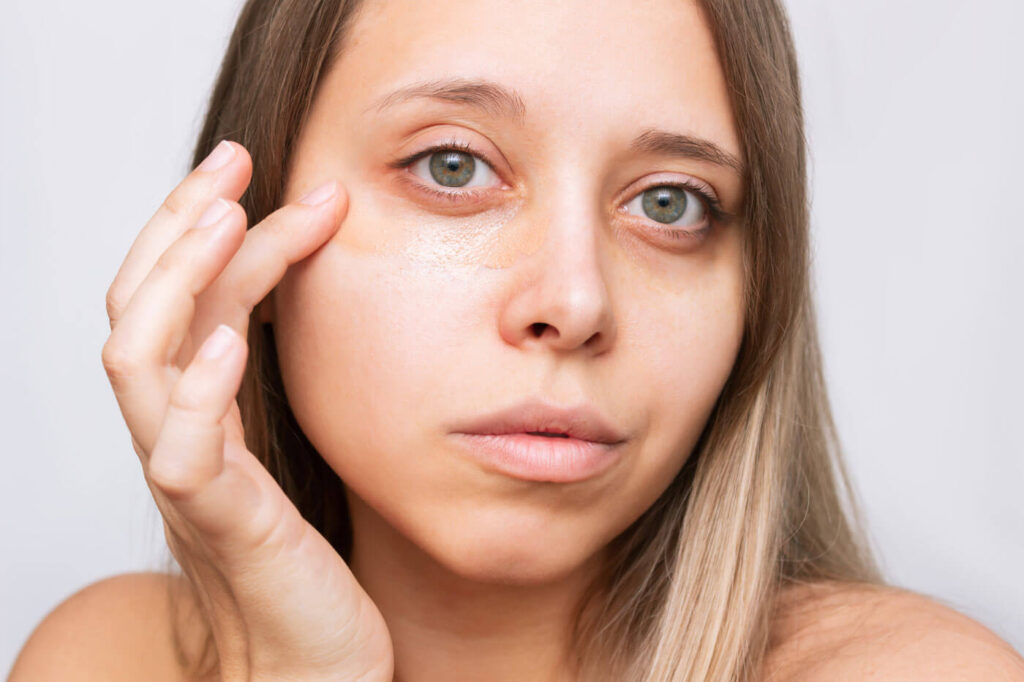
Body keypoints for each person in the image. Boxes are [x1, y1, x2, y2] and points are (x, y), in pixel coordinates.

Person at [10, 0, 1024, 679]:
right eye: (453, 167)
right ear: (250, 235)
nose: (575, 300)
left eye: (670, 202)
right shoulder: (108, 656)